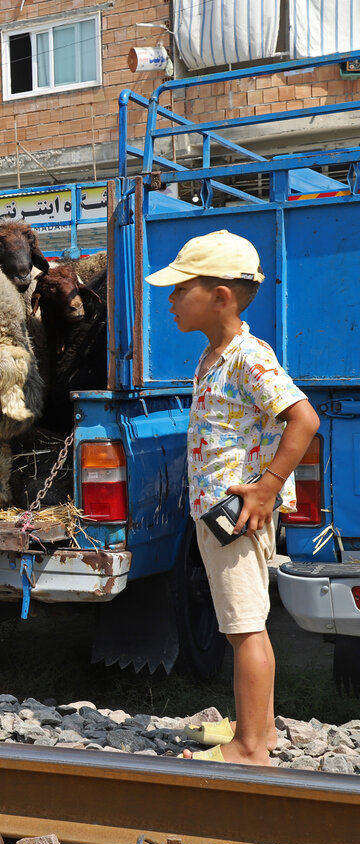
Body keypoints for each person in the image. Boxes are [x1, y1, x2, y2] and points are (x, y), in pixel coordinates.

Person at [146, 230, 320, 765]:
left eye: (180, 289)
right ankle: (258, 729)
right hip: (219, 516)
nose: (170, 299)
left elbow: (303, 419)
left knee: (243, 628)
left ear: (220, 296)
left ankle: (249, 750)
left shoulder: (248, 356)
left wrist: (267, 487)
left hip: (237, 515)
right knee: (241, 622)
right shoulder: (215, 355)